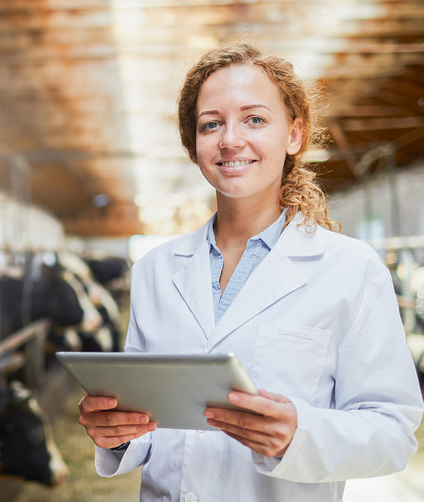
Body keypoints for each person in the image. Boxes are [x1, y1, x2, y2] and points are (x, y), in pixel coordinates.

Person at [79, 41, 424, 501]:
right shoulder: (155, 271)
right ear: (193, 143)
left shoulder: (352, 270)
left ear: (294, 135)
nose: (229, 139)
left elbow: (393, 431)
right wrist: (117, 430)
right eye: (211, 124)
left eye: (255, 119)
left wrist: (301, 433)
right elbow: (151, 419)